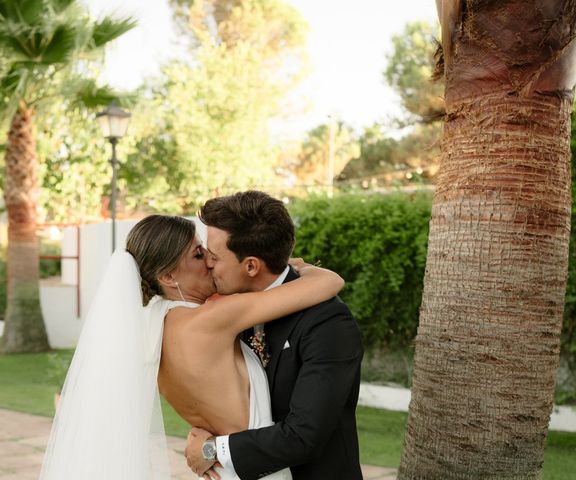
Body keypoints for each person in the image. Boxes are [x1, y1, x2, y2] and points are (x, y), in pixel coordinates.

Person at [38, 214, 344, 480]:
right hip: (258, 468)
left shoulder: (148, 331)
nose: (210, 262)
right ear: (169, 275)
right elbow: (331, 283)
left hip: (219, 466)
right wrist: (300, 267)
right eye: (198, 255)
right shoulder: (213, 319)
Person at [185, 190, 364, 480]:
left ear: (252, 266)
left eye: (214, 257)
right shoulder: (229, 310)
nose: (207, 263)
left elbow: (304, 435)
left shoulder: (328, 323)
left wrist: (213, 450)